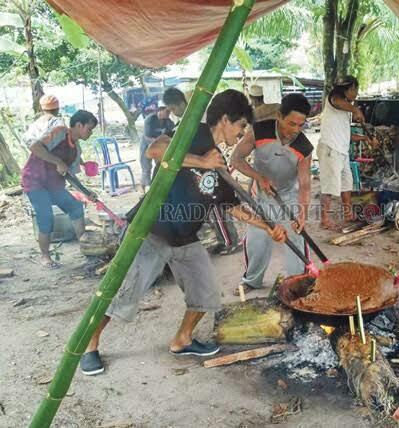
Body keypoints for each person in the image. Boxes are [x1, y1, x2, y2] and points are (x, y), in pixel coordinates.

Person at [79, 90, 288, 376]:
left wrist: (267, 227)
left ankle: (182, 340)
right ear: (226, 119)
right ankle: (89, 344)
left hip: (185, 236)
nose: (241, 134)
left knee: (206, 292)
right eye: (240, 127)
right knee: (124, 292)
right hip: (152, 228)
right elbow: (155, 149)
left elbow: (231, 205)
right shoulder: (195, 133)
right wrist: (201, 162)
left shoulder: (219, 162)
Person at [231, 93, 313, 296]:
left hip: (288, 196)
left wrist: (302, 214)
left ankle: (297, 282)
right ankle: (251, 280)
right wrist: (258, 177)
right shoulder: (259, 131)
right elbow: (236, 159)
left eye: (300, 125)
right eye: (291, 123)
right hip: (262, 196)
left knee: (296, 236)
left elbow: (304, 184)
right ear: (279, 115)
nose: (295, 130)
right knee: (257, 238)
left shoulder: (304, 146)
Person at [162, 87, 241, 255]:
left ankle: (229, 241)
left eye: (174, 108)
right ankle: (226, 239)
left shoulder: (199, 121)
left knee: (220, 206)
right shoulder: (184, 124)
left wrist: (204, 162)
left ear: (183, 103)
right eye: (170, 110)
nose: (173, 113)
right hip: (199, 171)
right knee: (216, 206)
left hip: (209, 167)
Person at [21, 110, 98, 269]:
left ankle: (87, 249)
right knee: (46, 216)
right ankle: (45, 257)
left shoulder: (76, 150)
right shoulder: (60, 131)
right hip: (35, 182)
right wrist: (57, 161)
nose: (90, 133)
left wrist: (86, 192)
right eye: (89, 129)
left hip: (54, 185)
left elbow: (70, 176)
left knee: (76, 207)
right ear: (78, 125)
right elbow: (35, 146)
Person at [317, 76, 372, 230]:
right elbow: (337, 101)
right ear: (348, 89)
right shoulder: (334, 100)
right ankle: (325, 219)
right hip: (330, 149)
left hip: (342, 151)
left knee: (346, 183)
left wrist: (364, 138)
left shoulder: (345, 108)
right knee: (329, 185)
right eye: (355, 90)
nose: (356, 94)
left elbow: (346, 135)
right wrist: (356, 109)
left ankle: (348, 214)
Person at [140, 104, 174, 192]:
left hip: (160, 146)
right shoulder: (150, 119)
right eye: (166, 111)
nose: (168, 114)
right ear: (159, 111)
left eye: (169, 112)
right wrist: (158, 144)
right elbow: (147, 136)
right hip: (146, 144)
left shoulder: (169, 122)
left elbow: (171, 135)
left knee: (160, 165)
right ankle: (146, 189)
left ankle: (157, 187)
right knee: (146, 167)